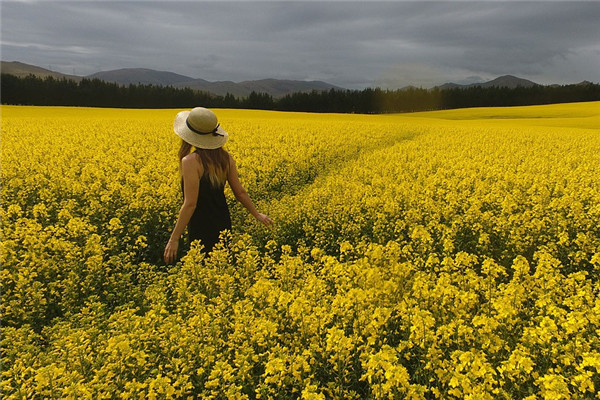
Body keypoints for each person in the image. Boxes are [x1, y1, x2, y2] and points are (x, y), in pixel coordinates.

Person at [163, 107, 273, 264]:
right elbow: (240, 192)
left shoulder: (190, 162)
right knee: (221, 266)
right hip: (222, 221)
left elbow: (190, 204)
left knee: (203, 267)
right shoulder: (226, 159)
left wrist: (174, 239)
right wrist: (257, 214)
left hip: (201, 224)